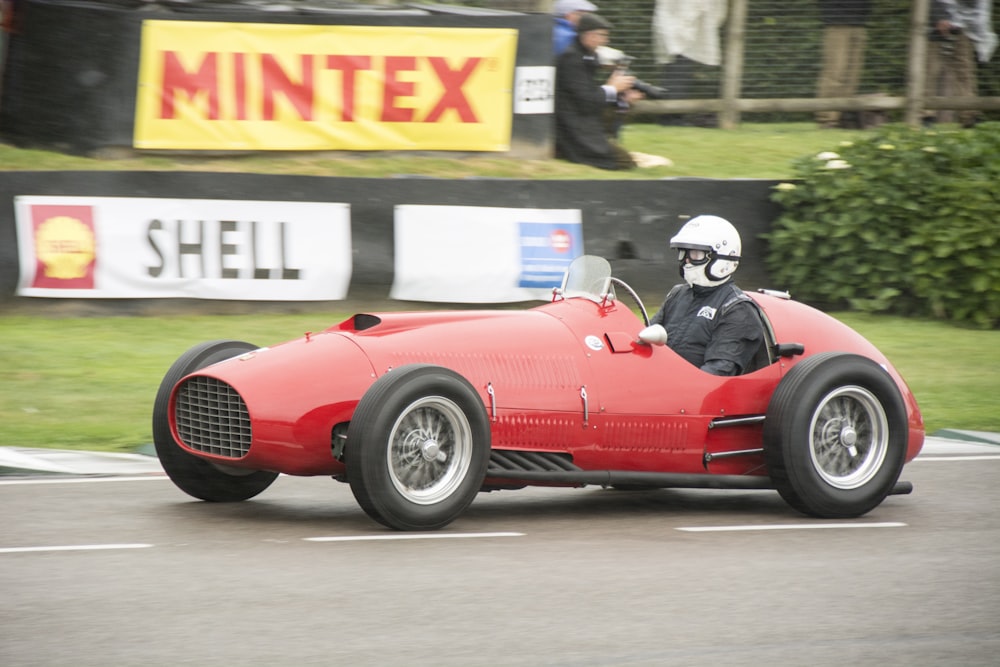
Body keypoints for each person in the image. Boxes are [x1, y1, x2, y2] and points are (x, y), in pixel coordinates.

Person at [649, 215, 763, 376]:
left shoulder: (737, 309)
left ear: (722, 258)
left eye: (695, 253)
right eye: (684, 253)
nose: (687, 261)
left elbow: (719, 371)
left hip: (694, 394)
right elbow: (646, 334)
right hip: (657, 381)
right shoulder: (677, 295)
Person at [555, 13, 642, 171]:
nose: (605, 41)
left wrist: (621, 95)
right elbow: (586, 101)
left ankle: (607, 140)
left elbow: (590, 94)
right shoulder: (572, 59)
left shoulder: (587, 55)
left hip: (585, 118)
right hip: (573, 125)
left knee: (623, 104)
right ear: (588, 35)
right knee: (624, 162)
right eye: (602, 35)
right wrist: (613, 88)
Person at [651, 0, 727, 127]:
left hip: (694, 27)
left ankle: (703, 117)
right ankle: (673, 118)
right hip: (676, 26)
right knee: (677, 68)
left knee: (691, 66)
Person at [924, 0, 997, 128]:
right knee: (930, 70)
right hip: (935, 27)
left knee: (964, 72)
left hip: (962, 28)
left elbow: (980, 9)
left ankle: (969, 116)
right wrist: (939, 17)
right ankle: (925, 116)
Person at [815, 1, 872, 129]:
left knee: (852, 76)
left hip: (859, 22)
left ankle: (842, 117)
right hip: (837, 23)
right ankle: (826, 119)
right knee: (834, 73)